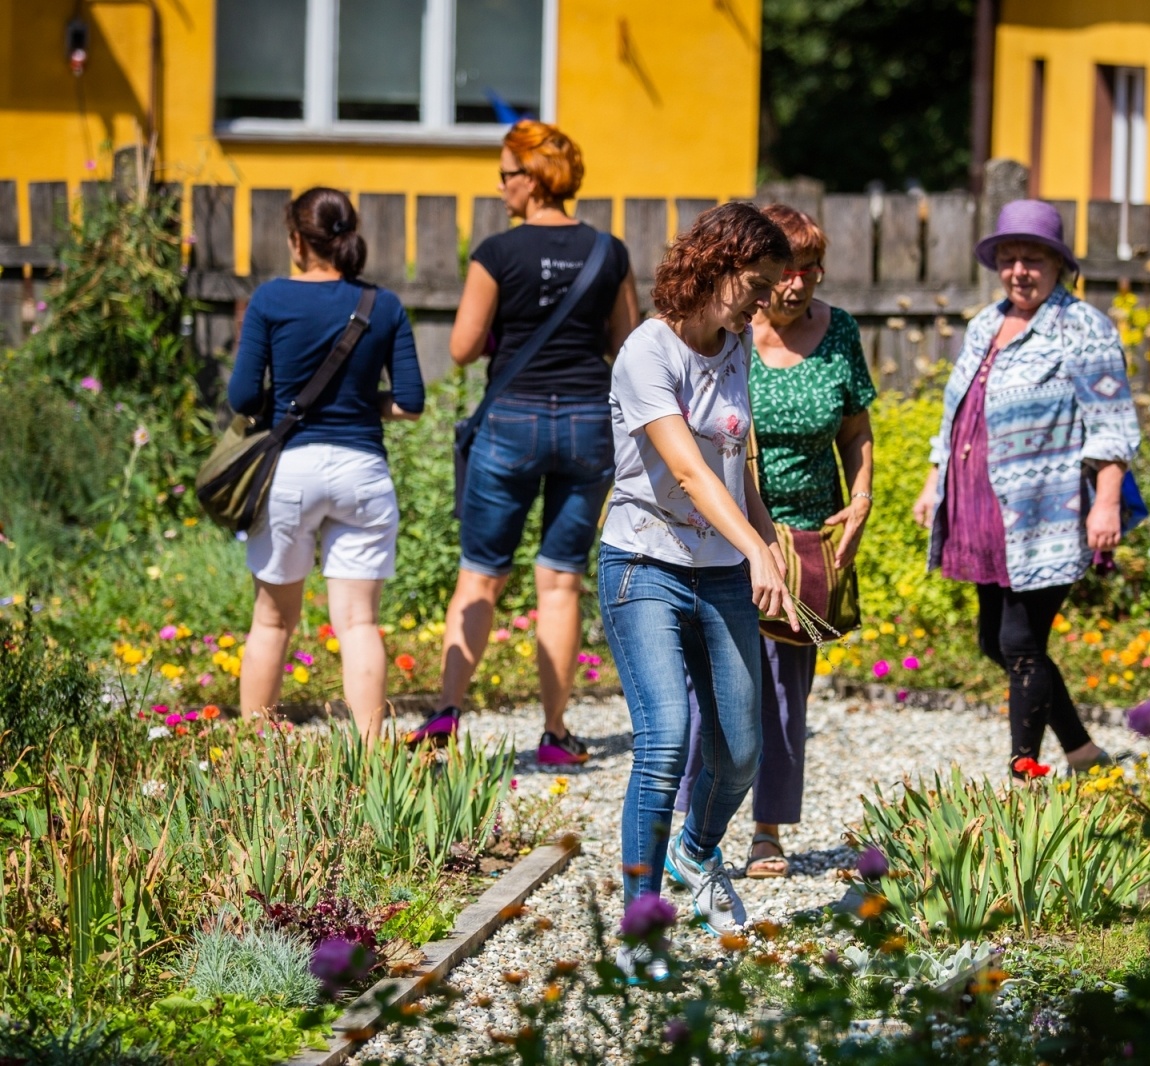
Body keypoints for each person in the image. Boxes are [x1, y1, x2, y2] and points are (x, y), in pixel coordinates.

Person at [600, 202, 798, 958]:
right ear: (714, 265)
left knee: (742, 751)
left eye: (773, 285)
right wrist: (754, 548)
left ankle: (697, 850)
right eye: (757, 281)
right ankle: (641, 929)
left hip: (720, 570)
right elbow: (683, 465)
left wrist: (767, 538)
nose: (766, 298)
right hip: (643, 561)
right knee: (664, 741)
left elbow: (730, 460)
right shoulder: (647, 352)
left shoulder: (737, 345)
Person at [408, 120, 638, 760]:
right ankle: (556, 734)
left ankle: (448, 715)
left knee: (480, 576)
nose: (501, 185)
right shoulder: (608, 251)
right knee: (560, 582)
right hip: (588, 423)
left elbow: (458, 350)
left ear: (533, 179)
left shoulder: (497, 254)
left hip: (510, 422)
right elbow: (627, 343)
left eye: (507, 173)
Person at [673, 204, 875, 879]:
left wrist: (863, 494)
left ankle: (767, 832)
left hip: (809, 534)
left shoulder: (840, 331)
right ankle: (691, 826)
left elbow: (854, 427)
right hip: (727, 527)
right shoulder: (728, 329)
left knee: (787, 691)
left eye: (811, 270)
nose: (797, 284)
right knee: (711, 678)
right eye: (785, 270)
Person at [912, 199, 1141, 780]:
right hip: (981, 509)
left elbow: (1112, 421)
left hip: (1046, 512)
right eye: (1009, 258)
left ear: (1058, 265)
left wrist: (1107, 501)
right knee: (997, 640)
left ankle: (1024, 770)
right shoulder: (986, 323)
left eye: (1033, 259)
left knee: (1019, 641)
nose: (1019, 271)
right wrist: (934, 481)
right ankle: (1083, 751)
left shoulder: (1081, 326)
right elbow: (955, 414)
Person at [230, 187, 424, 744]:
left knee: (271, 621)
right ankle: (368, 761)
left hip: (291, 471)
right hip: (363, 473)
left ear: (296, 240)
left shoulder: (270, 300)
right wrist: (362, 403)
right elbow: (409, 402)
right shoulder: (381, 305)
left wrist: (288, 404)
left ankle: (256, 757)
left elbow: (244, 397)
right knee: (358, 623)